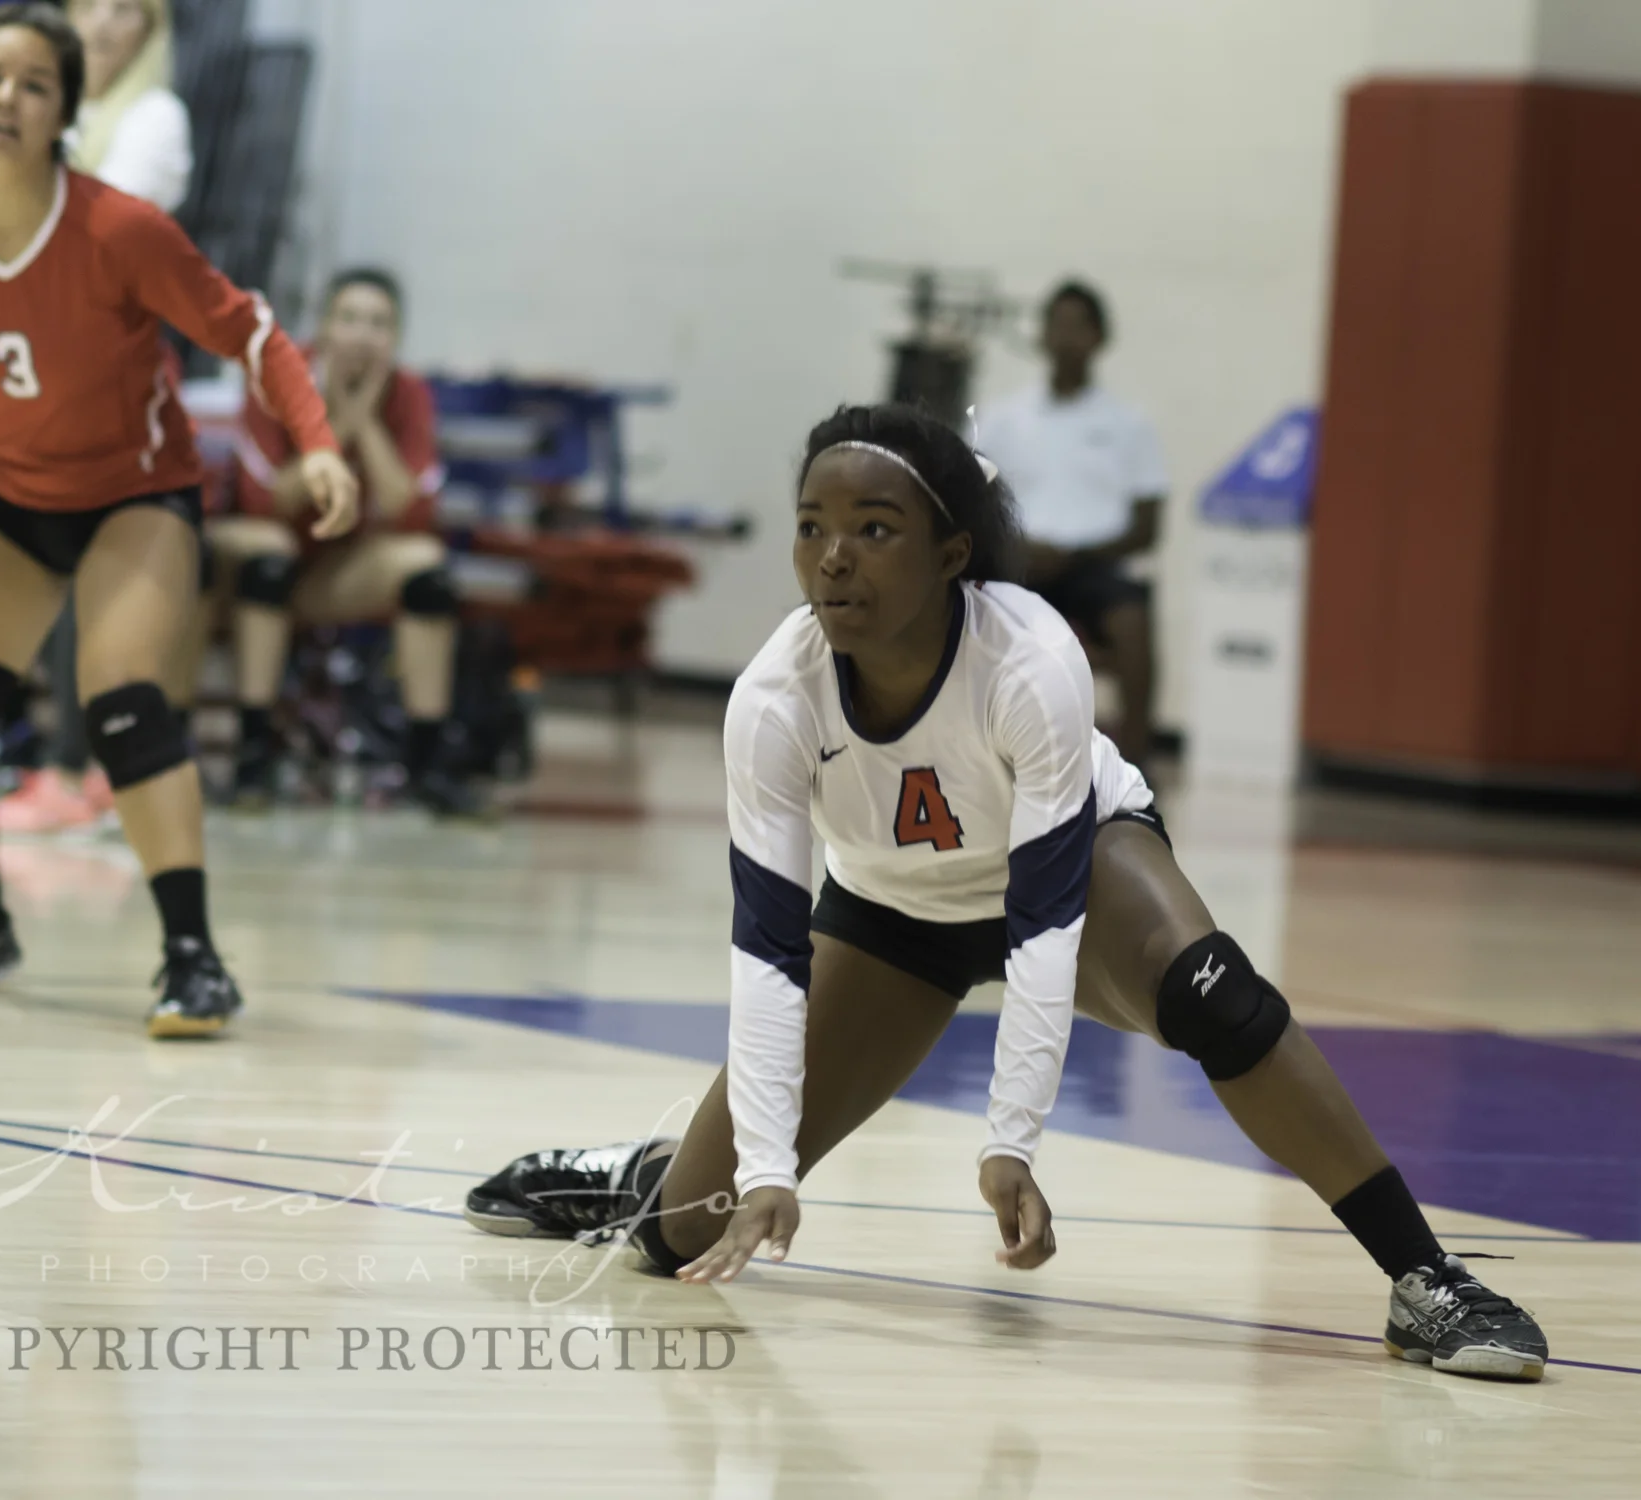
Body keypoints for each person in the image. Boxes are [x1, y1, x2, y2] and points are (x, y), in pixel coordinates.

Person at [464, 404, 1549, 1383]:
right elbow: (765, 954)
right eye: (811, 527)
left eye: (874, 529)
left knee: (1219, 999)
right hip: (892, 919)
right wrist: (759, 1167)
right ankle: (634, 1177)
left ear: (952, 554)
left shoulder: (1028, 656)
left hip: (1074, 868)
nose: (834, 558)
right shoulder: (772, 700)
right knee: (687, 1234)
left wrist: (1009, 1142)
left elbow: (1040, 928)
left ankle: (1426, 1280)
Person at [0, 2, 356, 1035]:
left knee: (122, 703)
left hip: (134, 495)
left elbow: (253, 335)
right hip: (17, 497)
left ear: (66, 106)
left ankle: (192, 956)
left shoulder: (119, 230)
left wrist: (317, 441)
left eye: (32, 83)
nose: (7, 99)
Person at [0, 0, 192, 833]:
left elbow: (100, 237)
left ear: (151, 32)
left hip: (110, 376)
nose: (108, 26)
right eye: (93, 7)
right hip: (39, 367)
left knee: (92, 576)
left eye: (129, 13)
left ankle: (79, 767)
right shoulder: (53, 107)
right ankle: (81, 764)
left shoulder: (154, 117)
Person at [210, 266, 482, 817]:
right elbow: (271, 502)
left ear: (397, 338)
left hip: (334, 565)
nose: (363, 335)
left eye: (380, 324)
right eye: (351, 319)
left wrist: (362, 419)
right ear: (324, 327)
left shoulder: (407, 394)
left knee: (428, 571)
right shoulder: (277, 377)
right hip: (252, 561)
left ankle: (426, 763)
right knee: (271, 557)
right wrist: (331, 420)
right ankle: (252, 757)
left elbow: (411, 510)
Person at [975, 281, 1165, 769]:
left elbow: (1147, 529)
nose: (1066, 336)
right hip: (1016, 564)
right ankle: (967, 753)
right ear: (1041, 335)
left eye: (1078, 325)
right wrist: (1015, 547)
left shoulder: (1130, 424)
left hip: (1090, 567)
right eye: (1056, 324)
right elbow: (971, 505)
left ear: (1100, 338)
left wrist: (1073, 556)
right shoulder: (1002, 419)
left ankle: (1137, 769)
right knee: (962, 605)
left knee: (1133, 620)